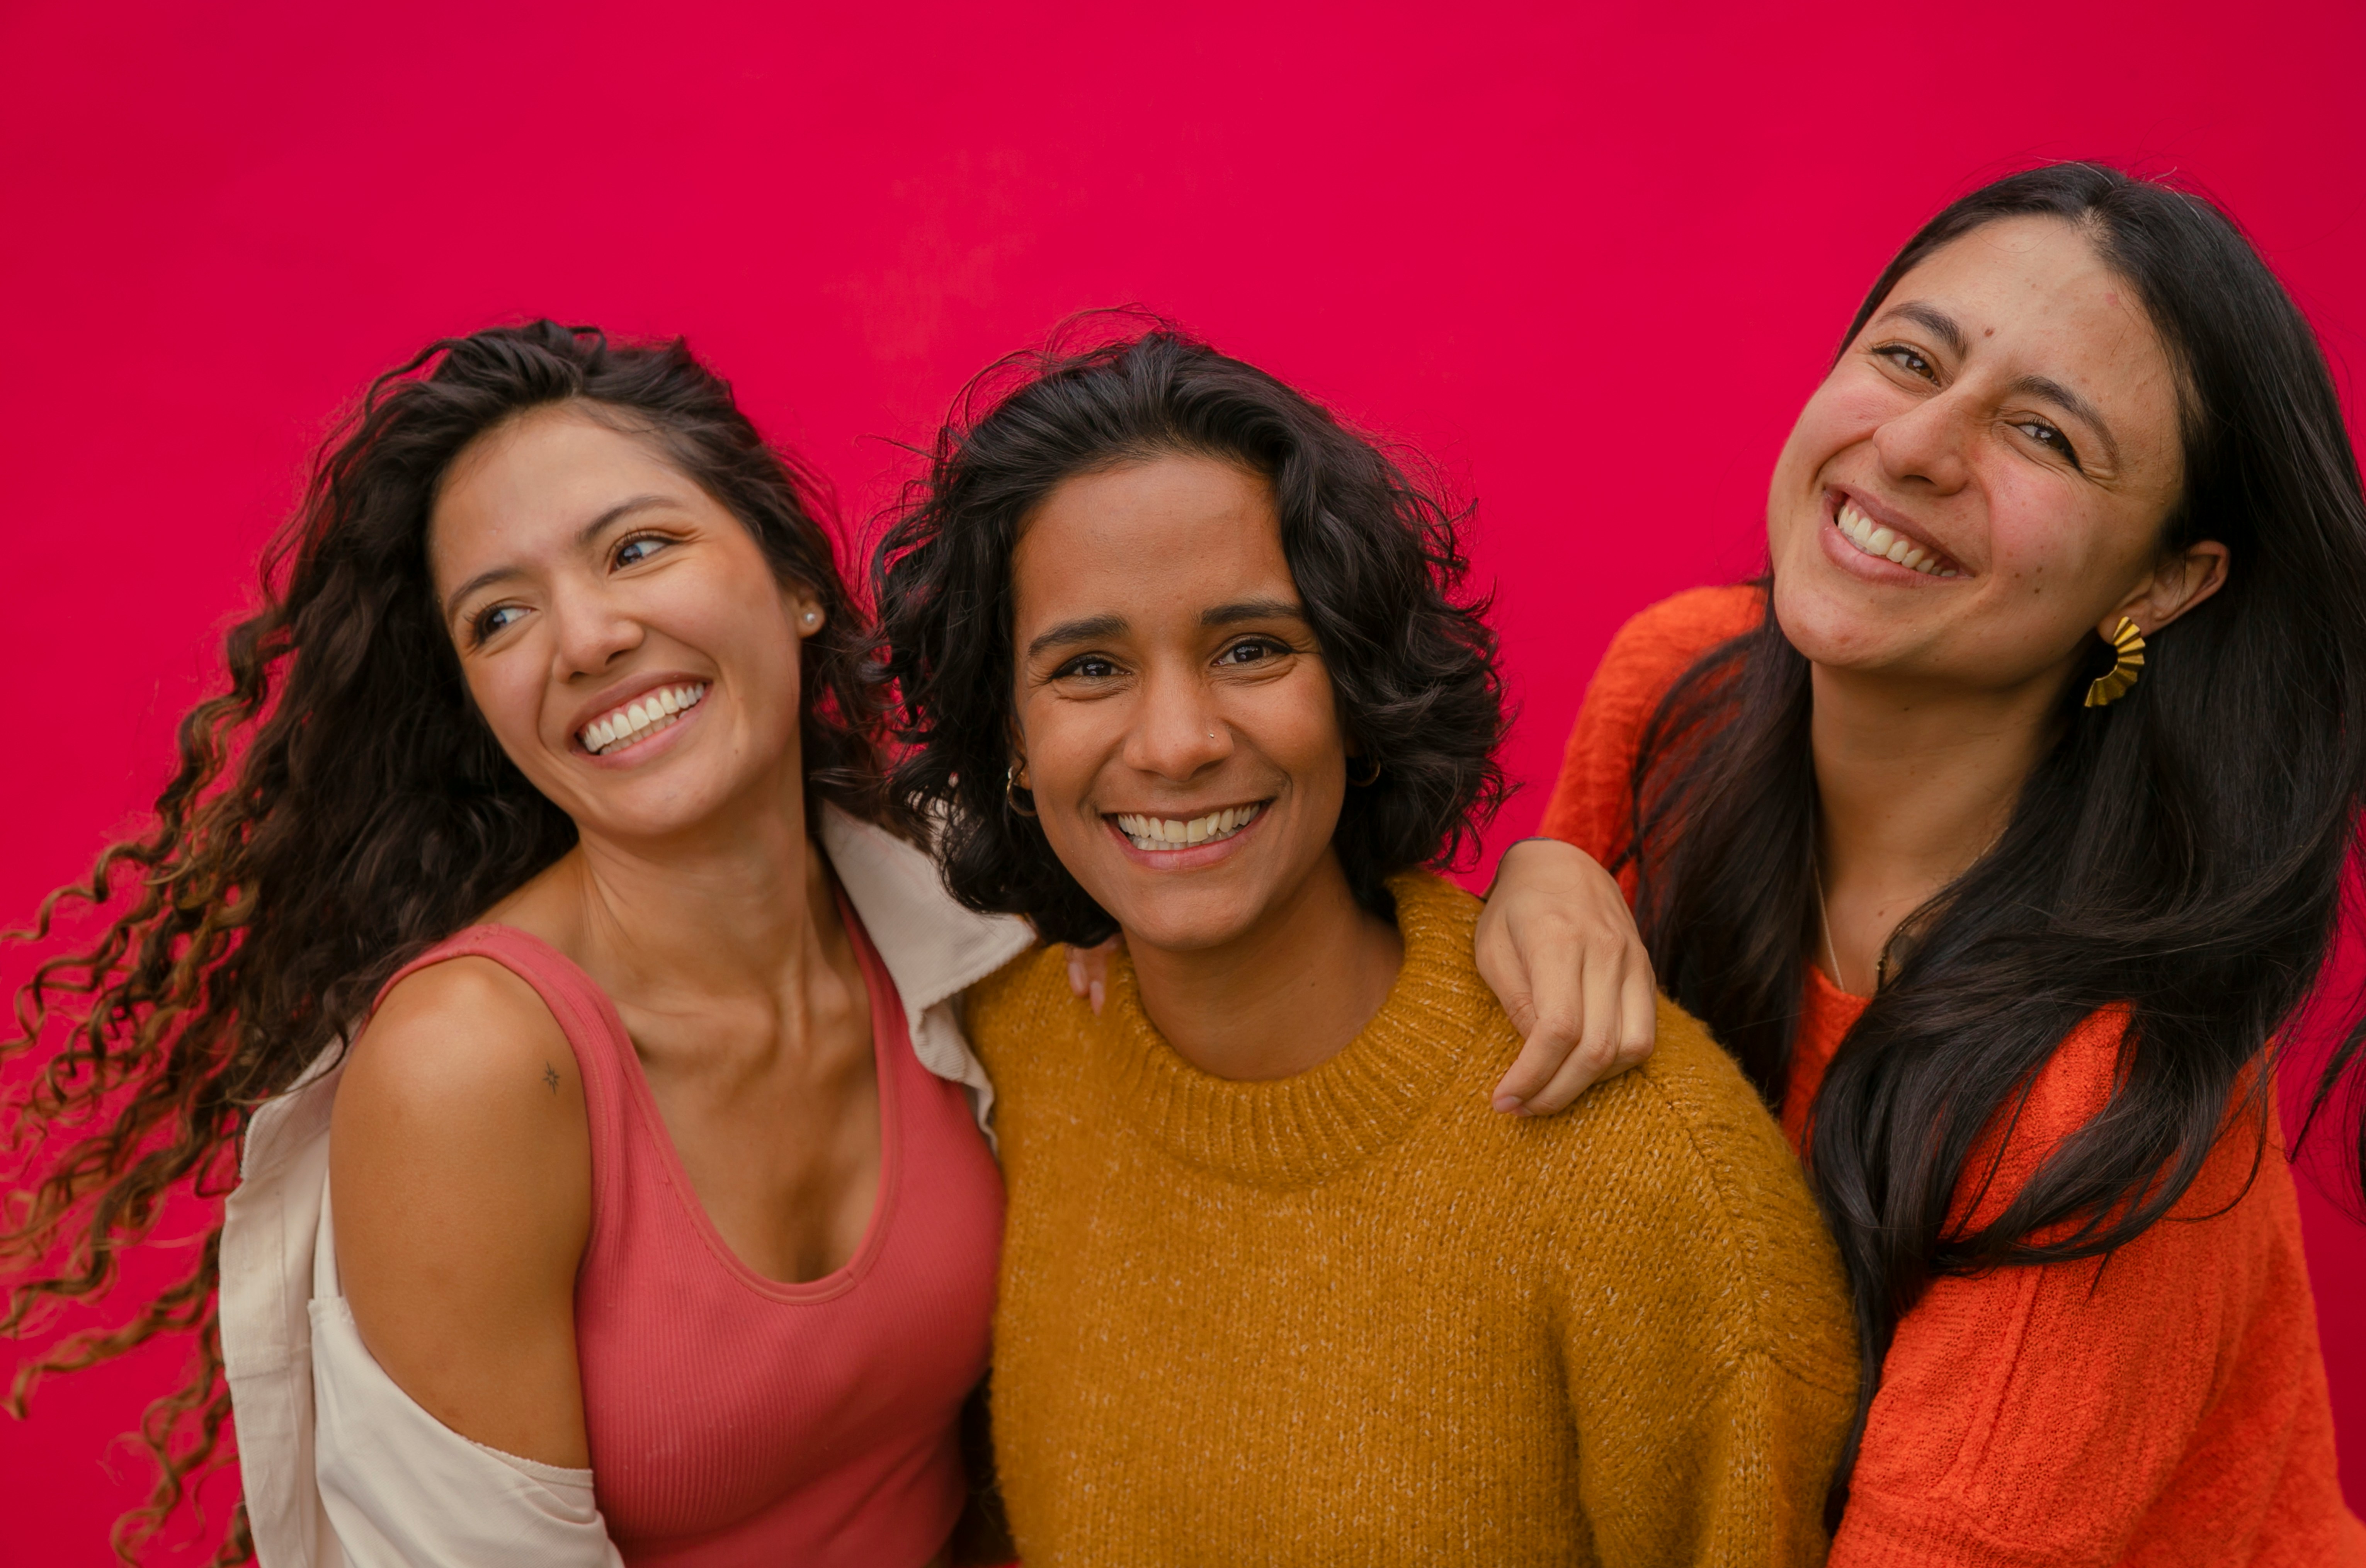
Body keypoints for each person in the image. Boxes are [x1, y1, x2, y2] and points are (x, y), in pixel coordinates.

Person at [0, 322, 1649, 1564]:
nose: (586, 636)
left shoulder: (967, 913)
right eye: (499, 615)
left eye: (637, 547)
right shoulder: (479, 1068)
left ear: (792, 581)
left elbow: (1236, 821)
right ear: (481, 702)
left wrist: (1540, 882)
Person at [873, 327, 1862, 1565]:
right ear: (1009, 741)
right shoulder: (999, 1047)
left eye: (1251, 648)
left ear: (1357, 687)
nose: (1176, 740)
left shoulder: (1642, 1173)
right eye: (1087, 667)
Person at [1499, 163, 2366, 1561]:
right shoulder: (1679, 695)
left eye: (2041, 433)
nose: (1915, 445)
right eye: (1907, 356)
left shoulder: (2103, 1082)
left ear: (2159, 585)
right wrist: (1533, 887)